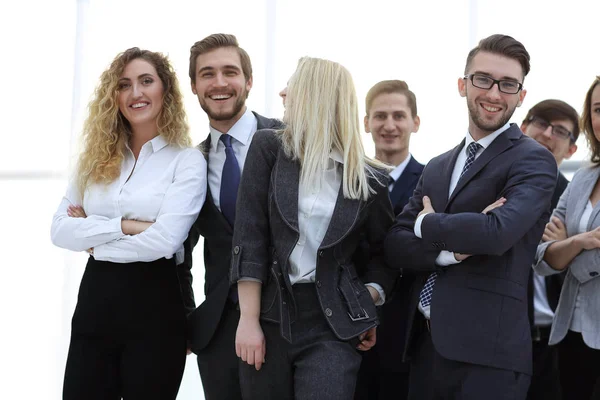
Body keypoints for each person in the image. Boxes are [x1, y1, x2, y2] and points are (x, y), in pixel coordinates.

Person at [384, 34, 557, 400]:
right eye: (483, 79)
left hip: (488, 359)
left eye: (508, 84)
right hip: (424, 348)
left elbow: (496, 233)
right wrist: (451, 251)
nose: (494, 93)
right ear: (463, 85)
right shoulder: (438, 165)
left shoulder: (533, 159)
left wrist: (426, 224)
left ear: (521, 95)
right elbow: (396, 244)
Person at [230, 56, 396, 400]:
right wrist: (248, 320)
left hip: (332, 324)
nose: (282, 92)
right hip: (268, 313)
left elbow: (384, 254)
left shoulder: (370, 177)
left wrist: (367, 299)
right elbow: (250, 237)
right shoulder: (268, 148)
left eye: (292, 84)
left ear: (313, 93)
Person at [50, 47, 207, 400]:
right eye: (124, 85)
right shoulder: (94, 160)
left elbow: (166, 241)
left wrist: (94, 238)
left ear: (165, 90)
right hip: (95, 301)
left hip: (156, 306)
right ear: (114, 96)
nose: (135, 93)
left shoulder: (187, 161)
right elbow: (59, 230)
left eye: (146, 81)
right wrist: (127, 226)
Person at [182, 33, 283, 400]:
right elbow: (177, 251)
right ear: (194, 86)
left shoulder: (290, 140)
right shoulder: (189, 163)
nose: (219, 83)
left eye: (230, 72)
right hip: (217, 330)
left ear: (249, 81)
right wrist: (188, 317)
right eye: (207, 74)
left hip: (286, 321)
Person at [355, 80, 424, 400]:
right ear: (366, 123)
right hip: (351, 325)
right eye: (380, 116)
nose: (390, 125)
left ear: (415, 122)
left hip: (410, 331)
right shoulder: (346, 182)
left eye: (399, 115)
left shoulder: (433, 181)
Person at [534, 76, 600, 400]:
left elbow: (565, 260)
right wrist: (579, 242)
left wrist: (567, 251)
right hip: (569, 332)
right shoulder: (583, 177)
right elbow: (543, 258)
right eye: (599, 109)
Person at [519, 99, 579, 400]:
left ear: (571, 150)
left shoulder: (580, 204)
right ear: (522, 128)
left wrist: (567, 248)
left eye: (560, 131)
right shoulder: (491, 187)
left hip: (559, 340)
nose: (546, 134)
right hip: (504, 336)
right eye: (540, 123)